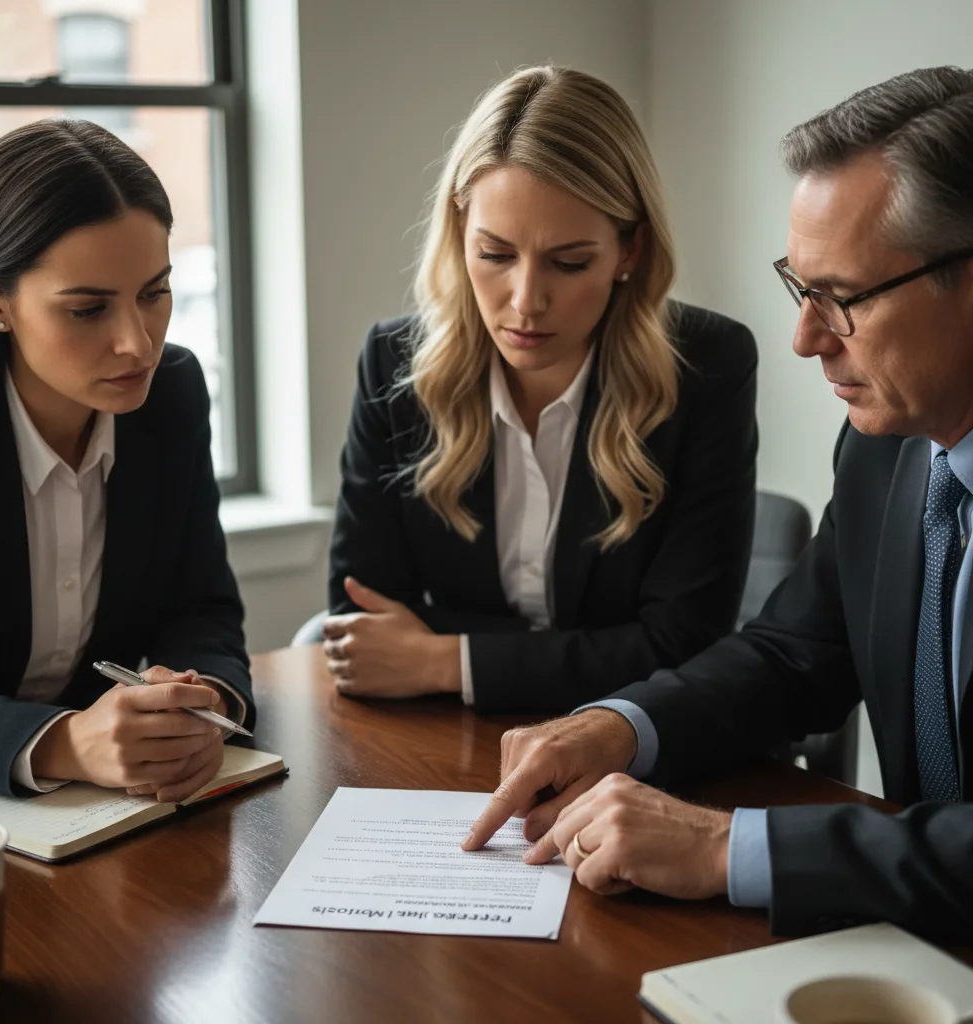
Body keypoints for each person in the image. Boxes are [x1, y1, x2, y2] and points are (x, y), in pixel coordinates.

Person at [463, 66, 973, 940]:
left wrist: (728, 848)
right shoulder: (886, 450)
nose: (805, 338)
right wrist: (618, 727)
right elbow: (793, 655)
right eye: (799, 288)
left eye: (840, 299)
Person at [322, 66, 758, 712]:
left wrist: (448, 657)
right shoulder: (395, 363)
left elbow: (682, 645)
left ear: (629, 250)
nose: (526, 302)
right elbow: (362, 616)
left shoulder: (708, 364)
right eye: (495, 255)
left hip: (632, 755)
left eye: (569, 262)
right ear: (458, 230)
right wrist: (589, 649)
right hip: (443, 742)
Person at [0, 119, 253, 800]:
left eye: (155, 293)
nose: (138, 345)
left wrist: (201, 701)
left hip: (95, 816)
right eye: (88, 310)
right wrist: (62, 743)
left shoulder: (170, 395)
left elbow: (199, 606)